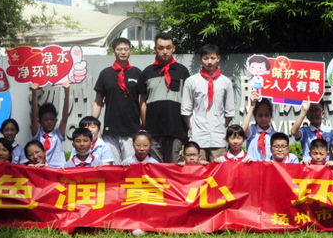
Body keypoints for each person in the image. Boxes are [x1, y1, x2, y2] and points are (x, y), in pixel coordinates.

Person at [92, 37, 145, 164]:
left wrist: (144, 125)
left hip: (131, 129)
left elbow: (143, 101)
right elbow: (98, 101)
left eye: (126, 49)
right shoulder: (105, 74)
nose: (123, 52)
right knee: (112, 166)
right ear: (113, 52)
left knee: (131, 165)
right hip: (111, 129)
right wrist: (92, 123)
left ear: (130, 51)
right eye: (120, 49)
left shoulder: (137, 73)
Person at [140, 33, 190, 164]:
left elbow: (188, 102)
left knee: (174, 166)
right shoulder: (147, 72)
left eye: (168, 47)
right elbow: (143, 102)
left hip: (176, 129)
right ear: (155, 49)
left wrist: (187, 127)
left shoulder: (182, 71)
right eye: (161, 48)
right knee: (155, 167)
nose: (165, 51)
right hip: (153, 130)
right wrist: (145, 126)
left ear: (173, 48)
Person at [181, 44, 235, 162]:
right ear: (200, 59)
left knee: (218, 170)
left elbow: (229, 111)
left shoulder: (226, 82)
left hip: (218, 137)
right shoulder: (191, 81)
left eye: (212, 58)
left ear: (218, 58)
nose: (209, 62)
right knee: (198, 170)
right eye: (206, 58)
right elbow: (186, 110)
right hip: (198, 137)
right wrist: (193, 127)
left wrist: (220, 125)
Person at [30, 80, 71, 168]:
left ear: (56, 121)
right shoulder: (38, 134)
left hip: (58, 169)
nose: (49, 122)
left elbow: (65, 118)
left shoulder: (58, 134)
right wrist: (34, 93)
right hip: (42, 168)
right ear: (40, 121)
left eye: (52, 119)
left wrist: (67, 92)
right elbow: (33, 119)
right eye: (45, 120)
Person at [291, 99, 333, 164]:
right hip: (309, 166)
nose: (314, 113)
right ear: (307, 114)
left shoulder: (329, 130)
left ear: (322, 114)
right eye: (311, 110)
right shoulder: (304, 131)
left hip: (326, 166)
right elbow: (293, 132)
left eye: (317, 110)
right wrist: (304, 111)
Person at [241, 93, 277, 162]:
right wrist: (252, 107)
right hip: (253, 166)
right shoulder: (252, 131)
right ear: (255, 116)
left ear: (271, 115)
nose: (263, 118)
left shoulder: (275, 135)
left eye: (267, 115)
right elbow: (242, 130)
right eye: (260, 115)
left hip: (269, 167)